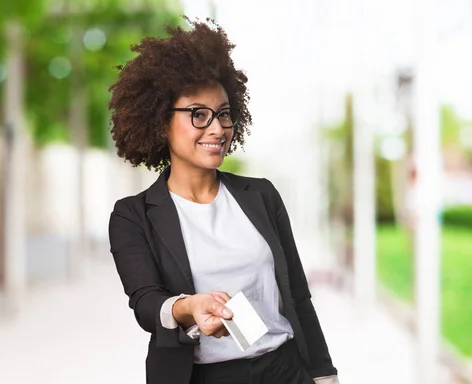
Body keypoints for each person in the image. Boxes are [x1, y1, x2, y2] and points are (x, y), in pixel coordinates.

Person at [108, 18, 339, 384]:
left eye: (224, 114)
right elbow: (146, 302)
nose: (217, 128)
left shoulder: (261, 195)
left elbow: (297, 294)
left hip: (285, 369)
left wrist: (324, 375)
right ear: (160, 122)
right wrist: (190, 306)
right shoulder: (132, 215)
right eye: (198, 114)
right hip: (202, 377)